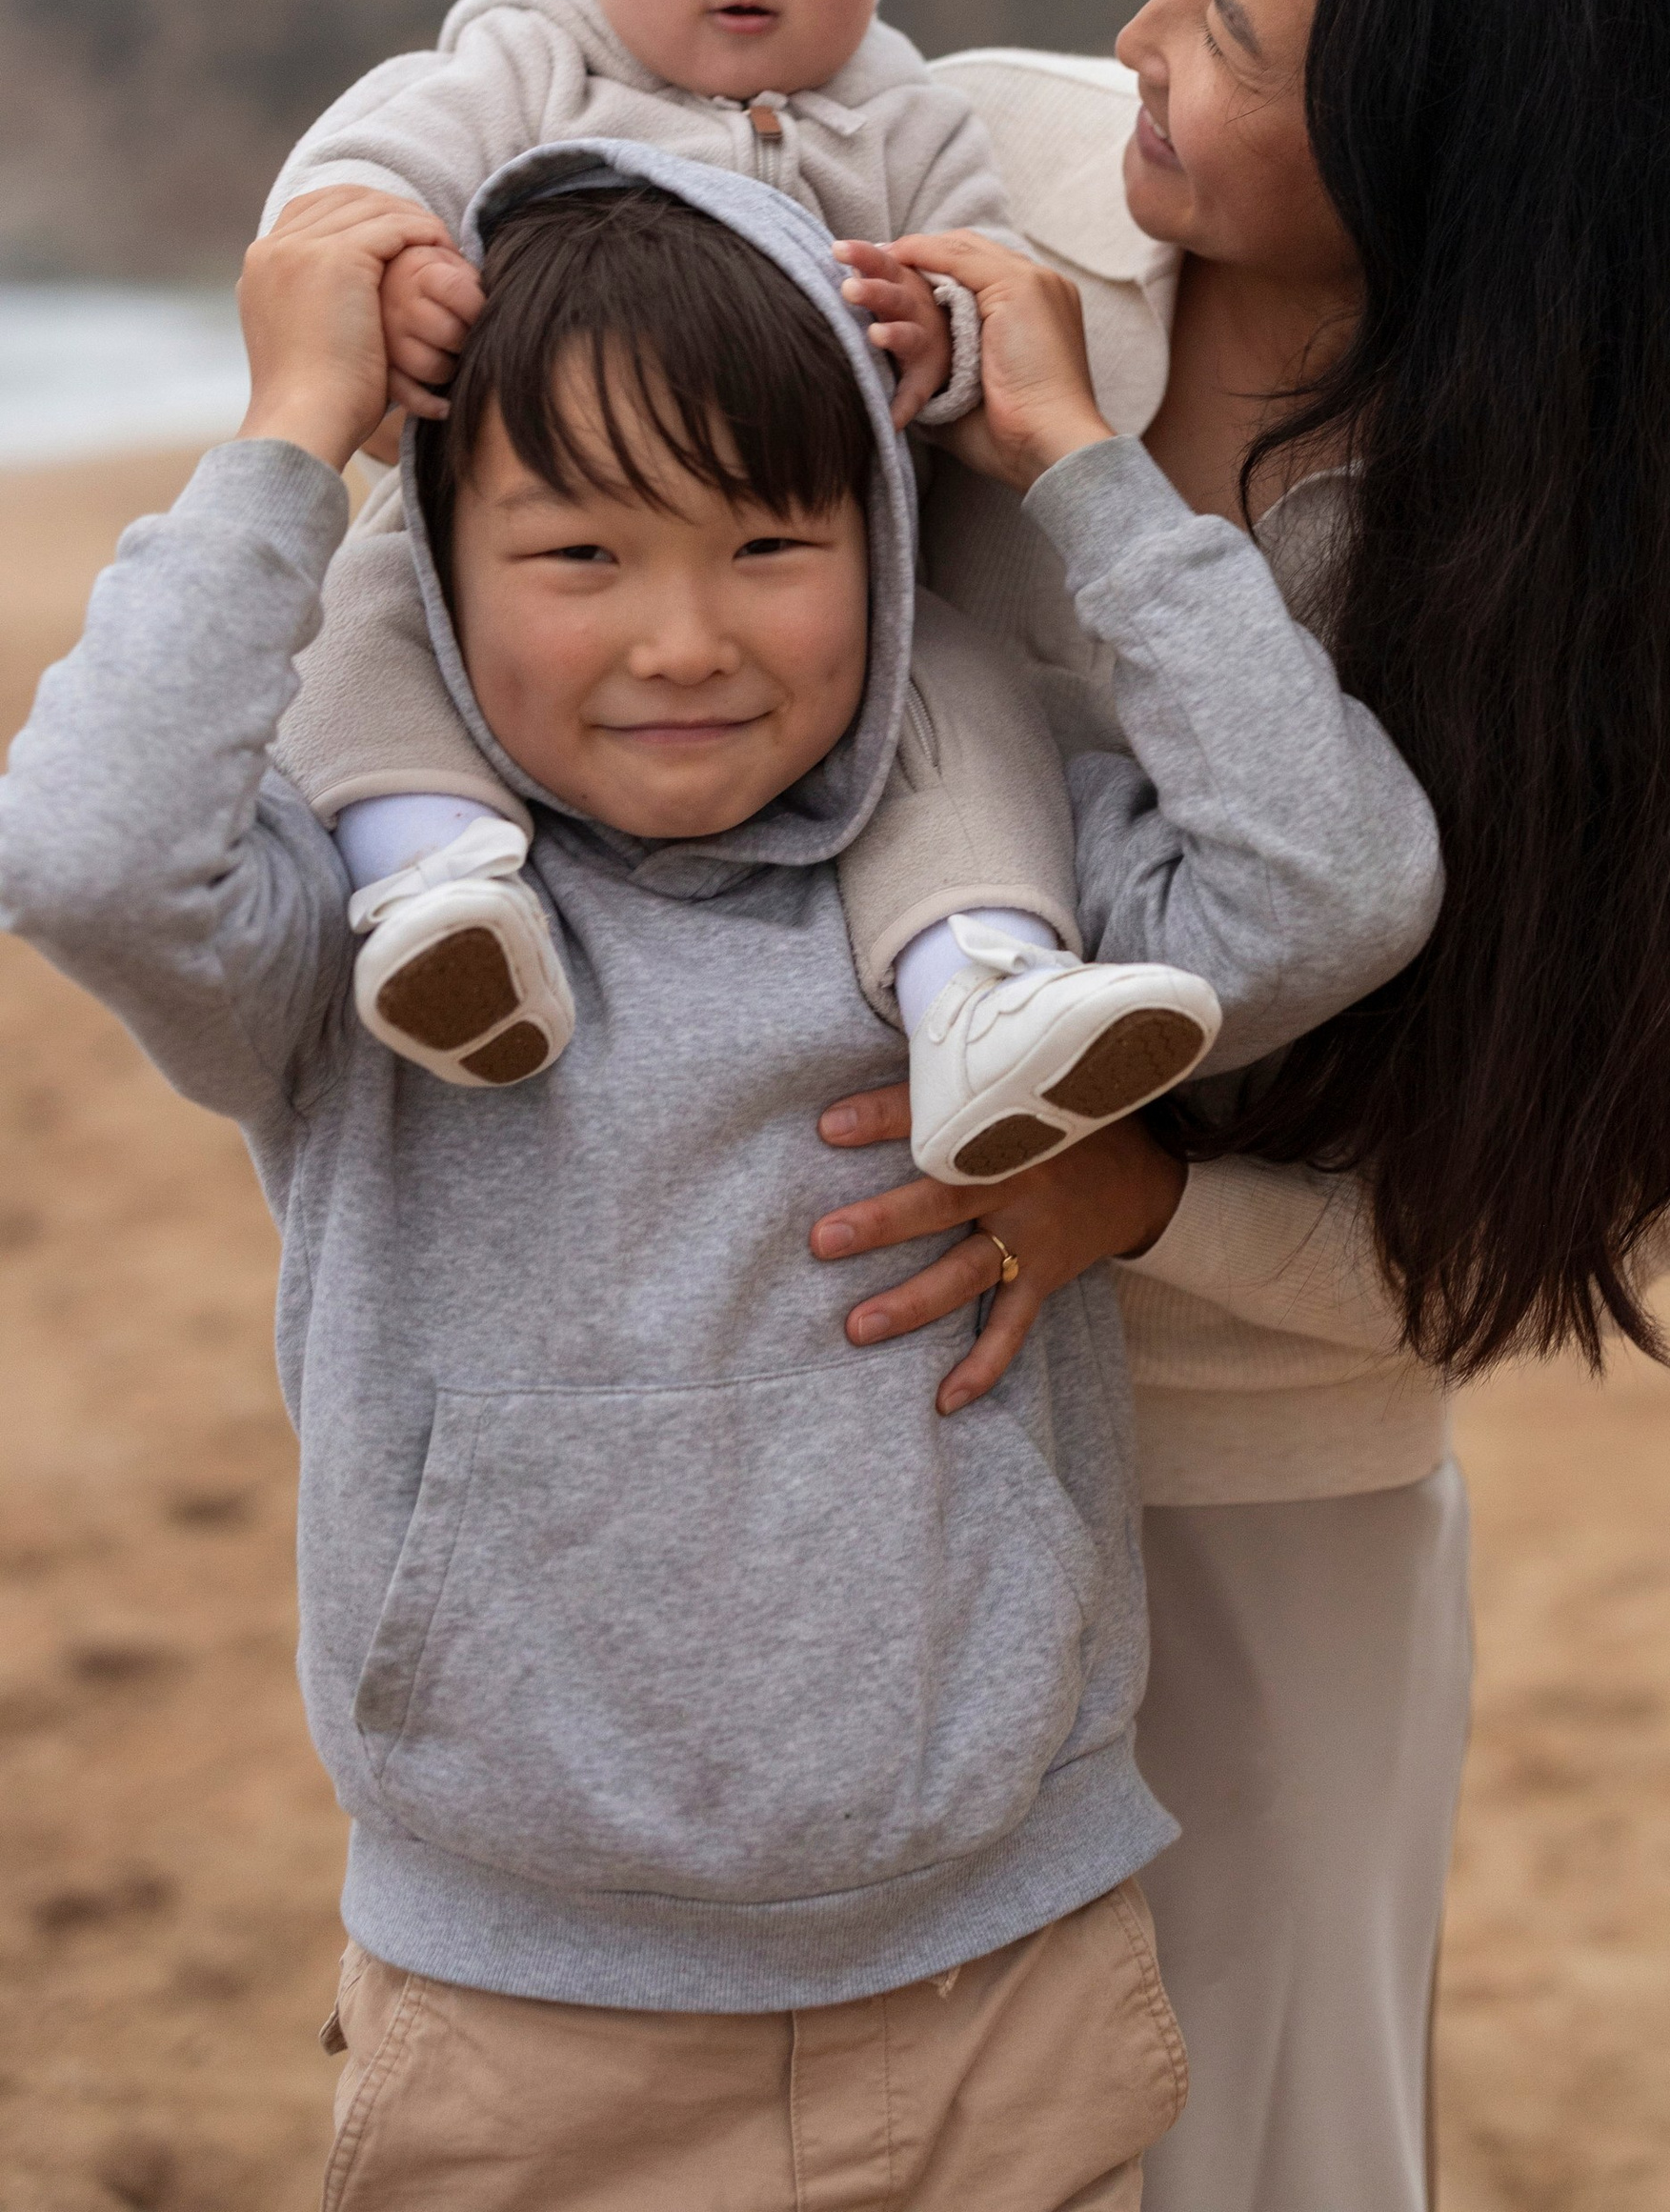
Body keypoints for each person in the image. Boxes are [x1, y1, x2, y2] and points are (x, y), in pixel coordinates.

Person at [0, 145, 1442, 2212]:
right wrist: (285, 441)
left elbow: (1339, 880)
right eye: (577, 555)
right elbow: (77, 851)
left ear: (877, 537)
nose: (682, 642)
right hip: (521, 2016)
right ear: (437, 571)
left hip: (993, 1975)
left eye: (772, 540)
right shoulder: (368, 951)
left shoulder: (1001, 902)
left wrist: (1071, 467)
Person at [807, 0, 1670, 2212]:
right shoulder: (979, 166)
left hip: (1260, 1506)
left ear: (1452, 136)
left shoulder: (1617, 566)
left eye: (1225, 26)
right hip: (827, 1413)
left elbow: (1553, 1227)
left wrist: (1150, 1218)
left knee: (1258, 2152)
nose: (1135, 46)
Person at [261, 0, 1223, 1180]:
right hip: (520, 544)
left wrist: (943, 341)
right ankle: (434, 881)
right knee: (361, 616)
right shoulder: (529, 55)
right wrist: (392, 269)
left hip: (812, 578)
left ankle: (978, 978)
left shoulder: (901, 118)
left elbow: (992, 284)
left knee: (961, 704)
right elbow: (356, 177)